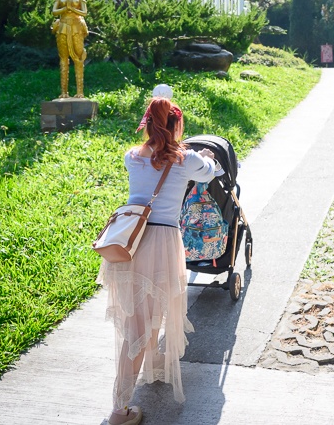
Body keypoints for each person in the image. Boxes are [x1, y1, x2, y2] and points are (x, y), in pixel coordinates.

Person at [97, 96, 218, 425]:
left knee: (138, 318)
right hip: (161, 244)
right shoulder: (187, 159)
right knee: (140, 326)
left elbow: (152, 160)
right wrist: (203, 154)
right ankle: (120, 409)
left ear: (147, 125)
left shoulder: (131, 156)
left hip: (130, 242)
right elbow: (212, 170)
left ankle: (147, 370)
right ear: (177, 126)